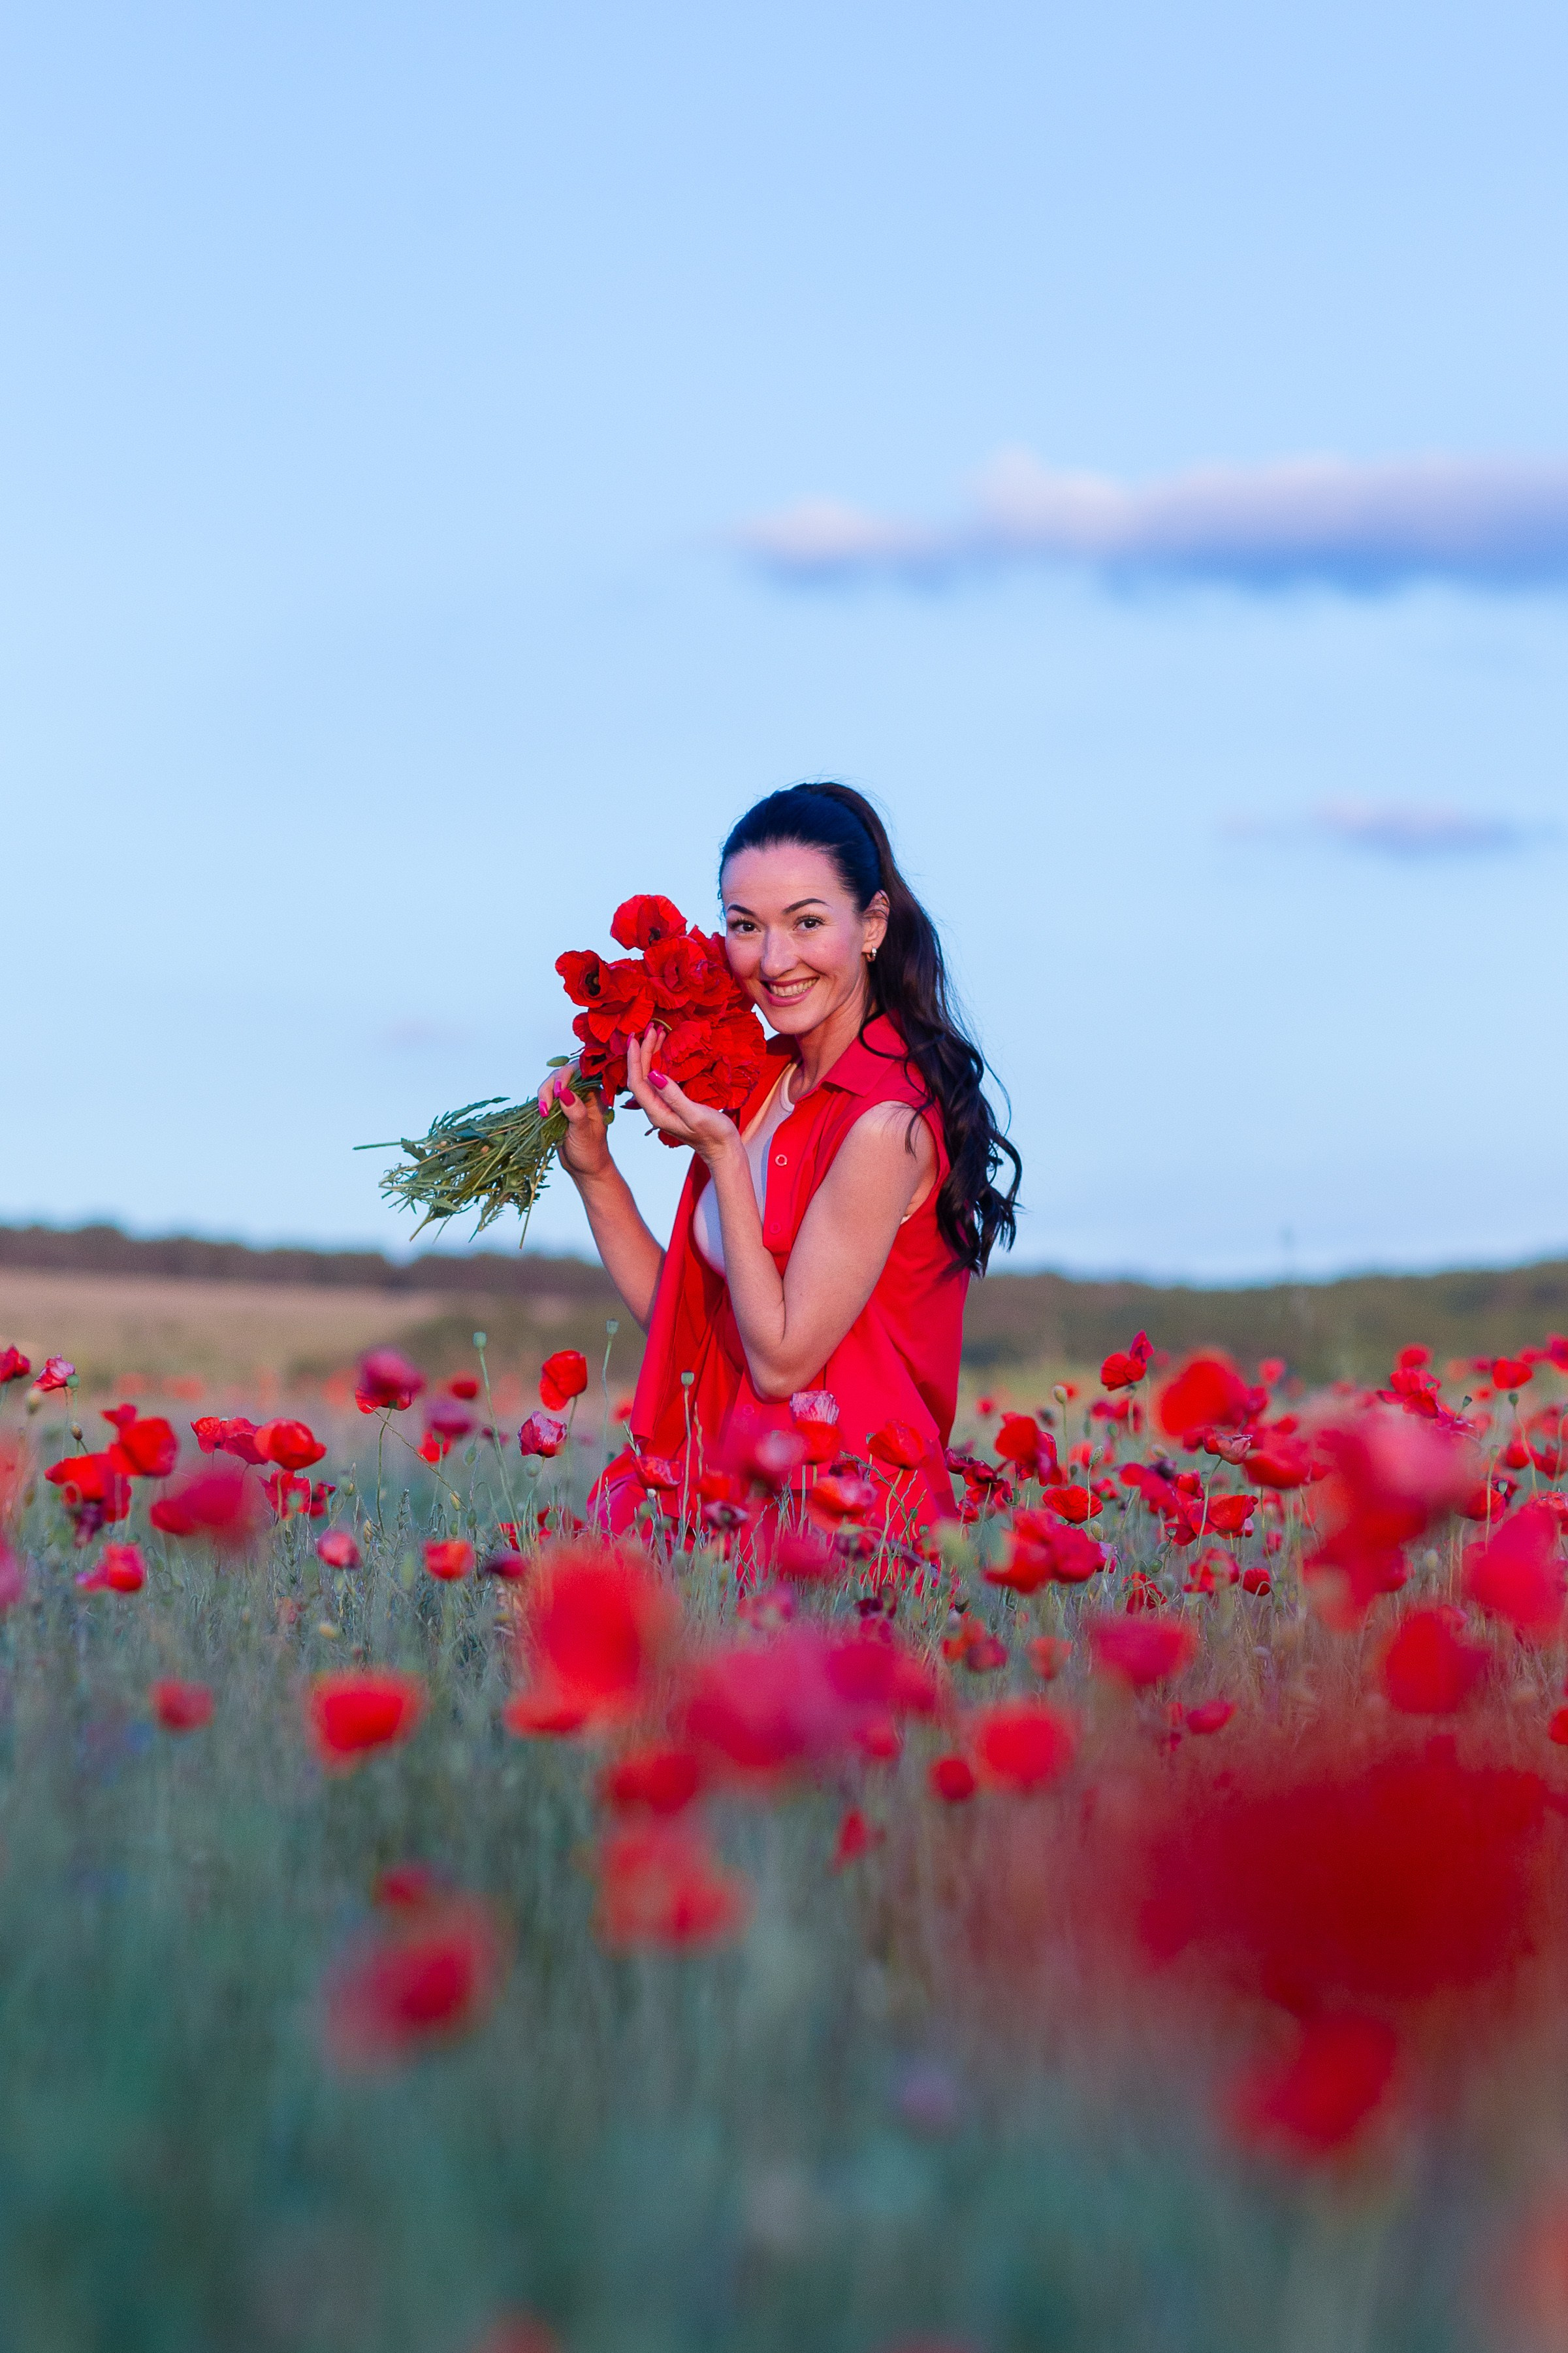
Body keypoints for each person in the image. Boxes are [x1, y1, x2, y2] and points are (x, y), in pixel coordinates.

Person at [536, 783, 1021, 1534]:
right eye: (744, 924)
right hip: (723, 1510)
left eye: (806, 922)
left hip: (841, 1537)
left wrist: (727, 1162)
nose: (772, 958)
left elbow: (781, 1361)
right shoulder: (754, 1083)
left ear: (871, 925)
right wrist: (595, 1171)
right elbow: (691, 1321)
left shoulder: (886, 1122)